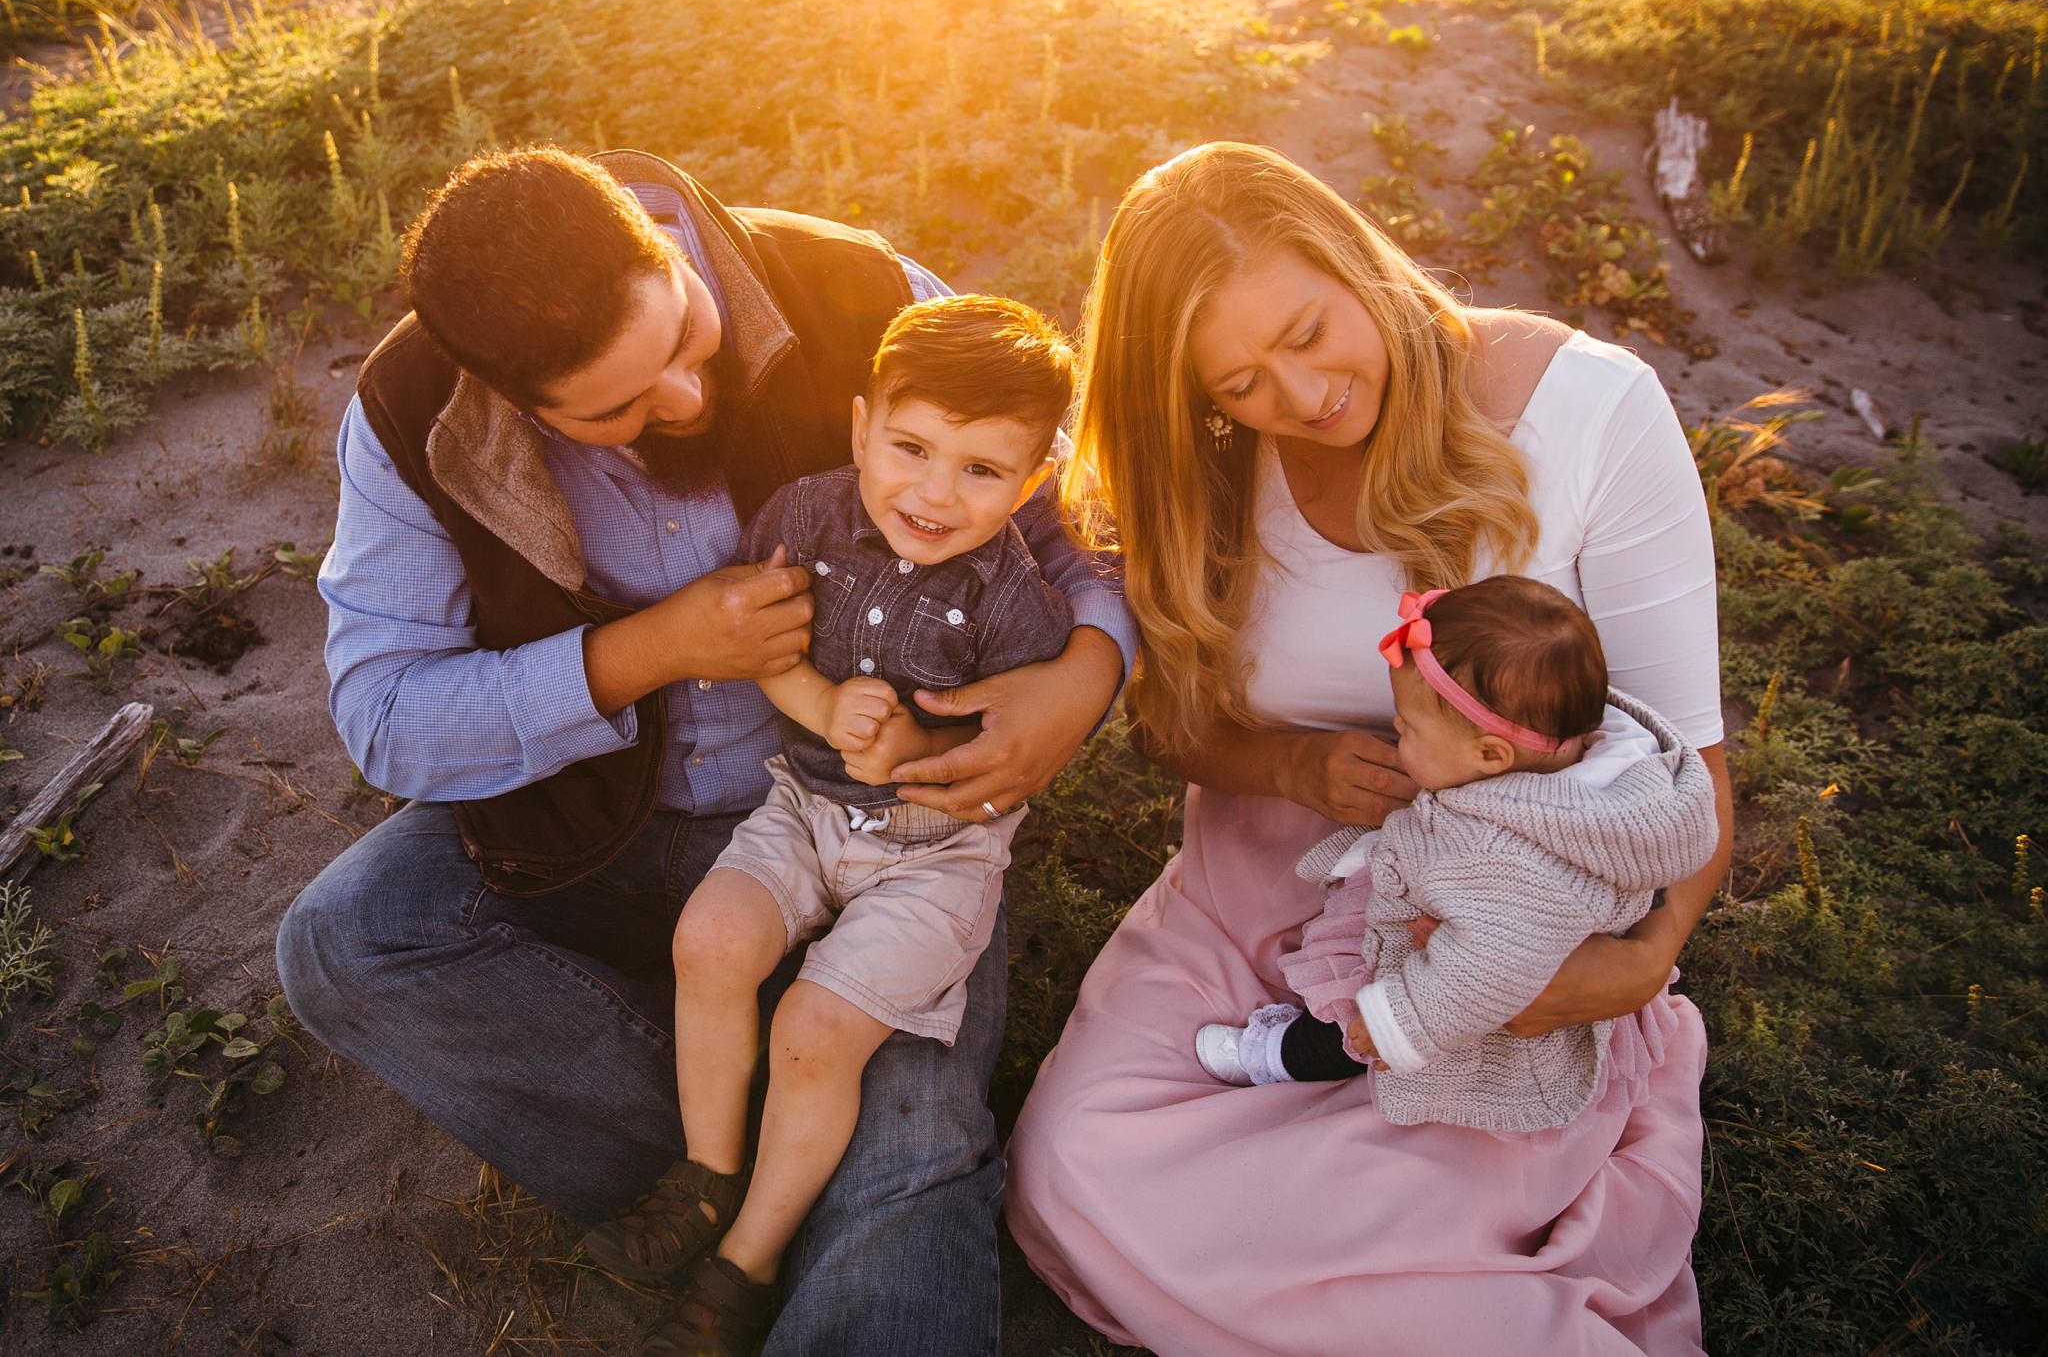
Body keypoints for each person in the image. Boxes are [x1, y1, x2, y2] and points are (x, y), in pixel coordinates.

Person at [272, 146, 1134, 1355]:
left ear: (655, 240)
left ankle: (773, 1194)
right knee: (345, 939)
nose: (683, 397)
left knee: (905, 1140)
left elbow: (1076, 518)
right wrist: (649, 650)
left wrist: (1085, 671)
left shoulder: (863, 291)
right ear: (518, 402)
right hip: (594, 828)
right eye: (617, 406)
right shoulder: (416, 408)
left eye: (685, 331)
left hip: (889, 827)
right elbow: (386, 716)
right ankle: (774, 1171)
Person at [1006, 141, 1732, 1355]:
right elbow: (1173, 725)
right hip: (1256, 891)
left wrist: (1640, 959)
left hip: (1503, 925)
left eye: (1308, 332)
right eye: (1238, 382)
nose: (1300, 398)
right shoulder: (1213, 464)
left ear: (1353, 258)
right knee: (1073, 1167)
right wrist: (1290, 768)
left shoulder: (1590, 410)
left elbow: (1686, 767)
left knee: (1390, 1213)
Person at [580, 296, 1077, 1352]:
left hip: (935, 852)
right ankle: (708, 1175)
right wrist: (819, 709)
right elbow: (769, 650)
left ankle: (741, 1266)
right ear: (861, 428)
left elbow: (1002, 762)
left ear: (1032, 482)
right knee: (708, 939)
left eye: (982, 471)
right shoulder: (803, 518)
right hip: (803, 803)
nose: (934, 494)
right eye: (909, 449)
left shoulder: (1018, 609)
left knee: (811, 1033)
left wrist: (912, 755)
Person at [1195, 577, 1720, 1141]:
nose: (1396, 733)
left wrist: (1399, 1021)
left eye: (1407, 728)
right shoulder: (1583, 772)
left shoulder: (1510, 863)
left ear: (1490, 755)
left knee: (1355, 1029)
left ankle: (1283, 1054)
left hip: (1465, 997)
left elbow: (1484, 973)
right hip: (1472, 937)